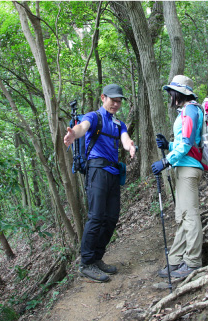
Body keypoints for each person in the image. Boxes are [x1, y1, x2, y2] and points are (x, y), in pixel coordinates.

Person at [64, 84, 136, 282]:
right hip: (97, 170)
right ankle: (86, 263)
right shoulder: (94, 117)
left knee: (111, 217)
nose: (116, 104)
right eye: (113, 100)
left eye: (119, 100)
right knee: (96, 217)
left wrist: (130, 145)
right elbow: (82, 127)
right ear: (103, 98)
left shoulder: (118, 123)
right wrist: (73, 134)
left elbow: (124, 138)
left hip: (113, 172)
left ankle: (96, 258)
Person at [151, 75, 204, 279]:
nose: (169, 96)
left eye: (171, 92)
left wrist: (166, 161)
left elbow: (188, 143)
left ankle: (192, 262)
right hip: (184, 166)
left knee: (190, 216)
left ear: (179, 93)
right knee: (182, 216)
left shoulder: (190, 110)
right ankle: (175, 259)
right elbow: (185, 143)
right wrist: (169, 146)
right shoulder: (186, 111)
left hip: (189, 169)